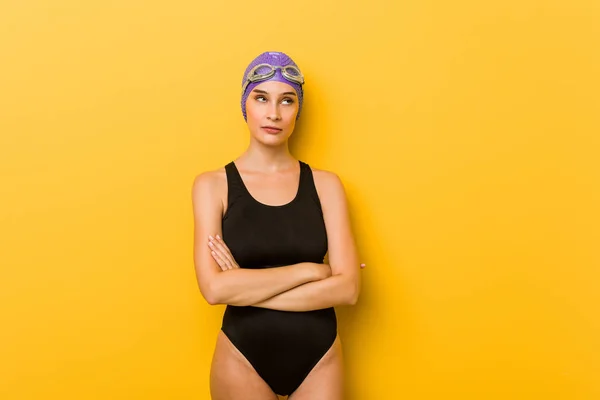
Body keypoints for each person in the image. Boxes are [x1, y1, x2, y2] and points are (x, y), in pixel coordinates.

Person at [191, 51, 363, 400]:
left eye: (287, 100)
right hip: (243, 356)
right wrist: (313, 270)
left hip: (319, 359)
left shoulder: (326, 185)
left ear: (298, 110)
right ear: (245, 105)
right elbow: (214, 290)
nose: (274, 113)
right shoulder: (212, 186)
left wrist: (245, 286)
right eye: (261, 98)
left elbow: (348, 290)